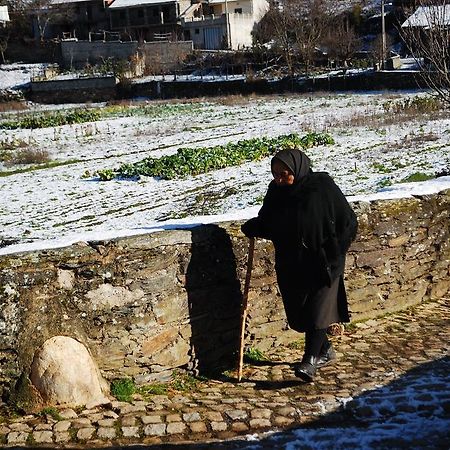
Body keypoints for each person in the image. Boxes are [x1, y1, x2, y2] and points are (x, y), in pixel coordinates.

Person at [241, 148, 358, 382]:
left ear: (297, 168)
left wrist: (336, 251)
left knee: (318, 310)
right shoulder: (276, 192)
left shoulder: (322, 187)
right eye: (275, 174)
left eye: (284, 174)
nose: (279, 179)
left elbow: (348, 221)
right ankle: (324, 349)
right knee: (298, 315)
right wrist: (254, 226)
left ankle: (309, 361)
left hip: (324, 261)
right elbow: (270, 222)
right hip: (292, 263)